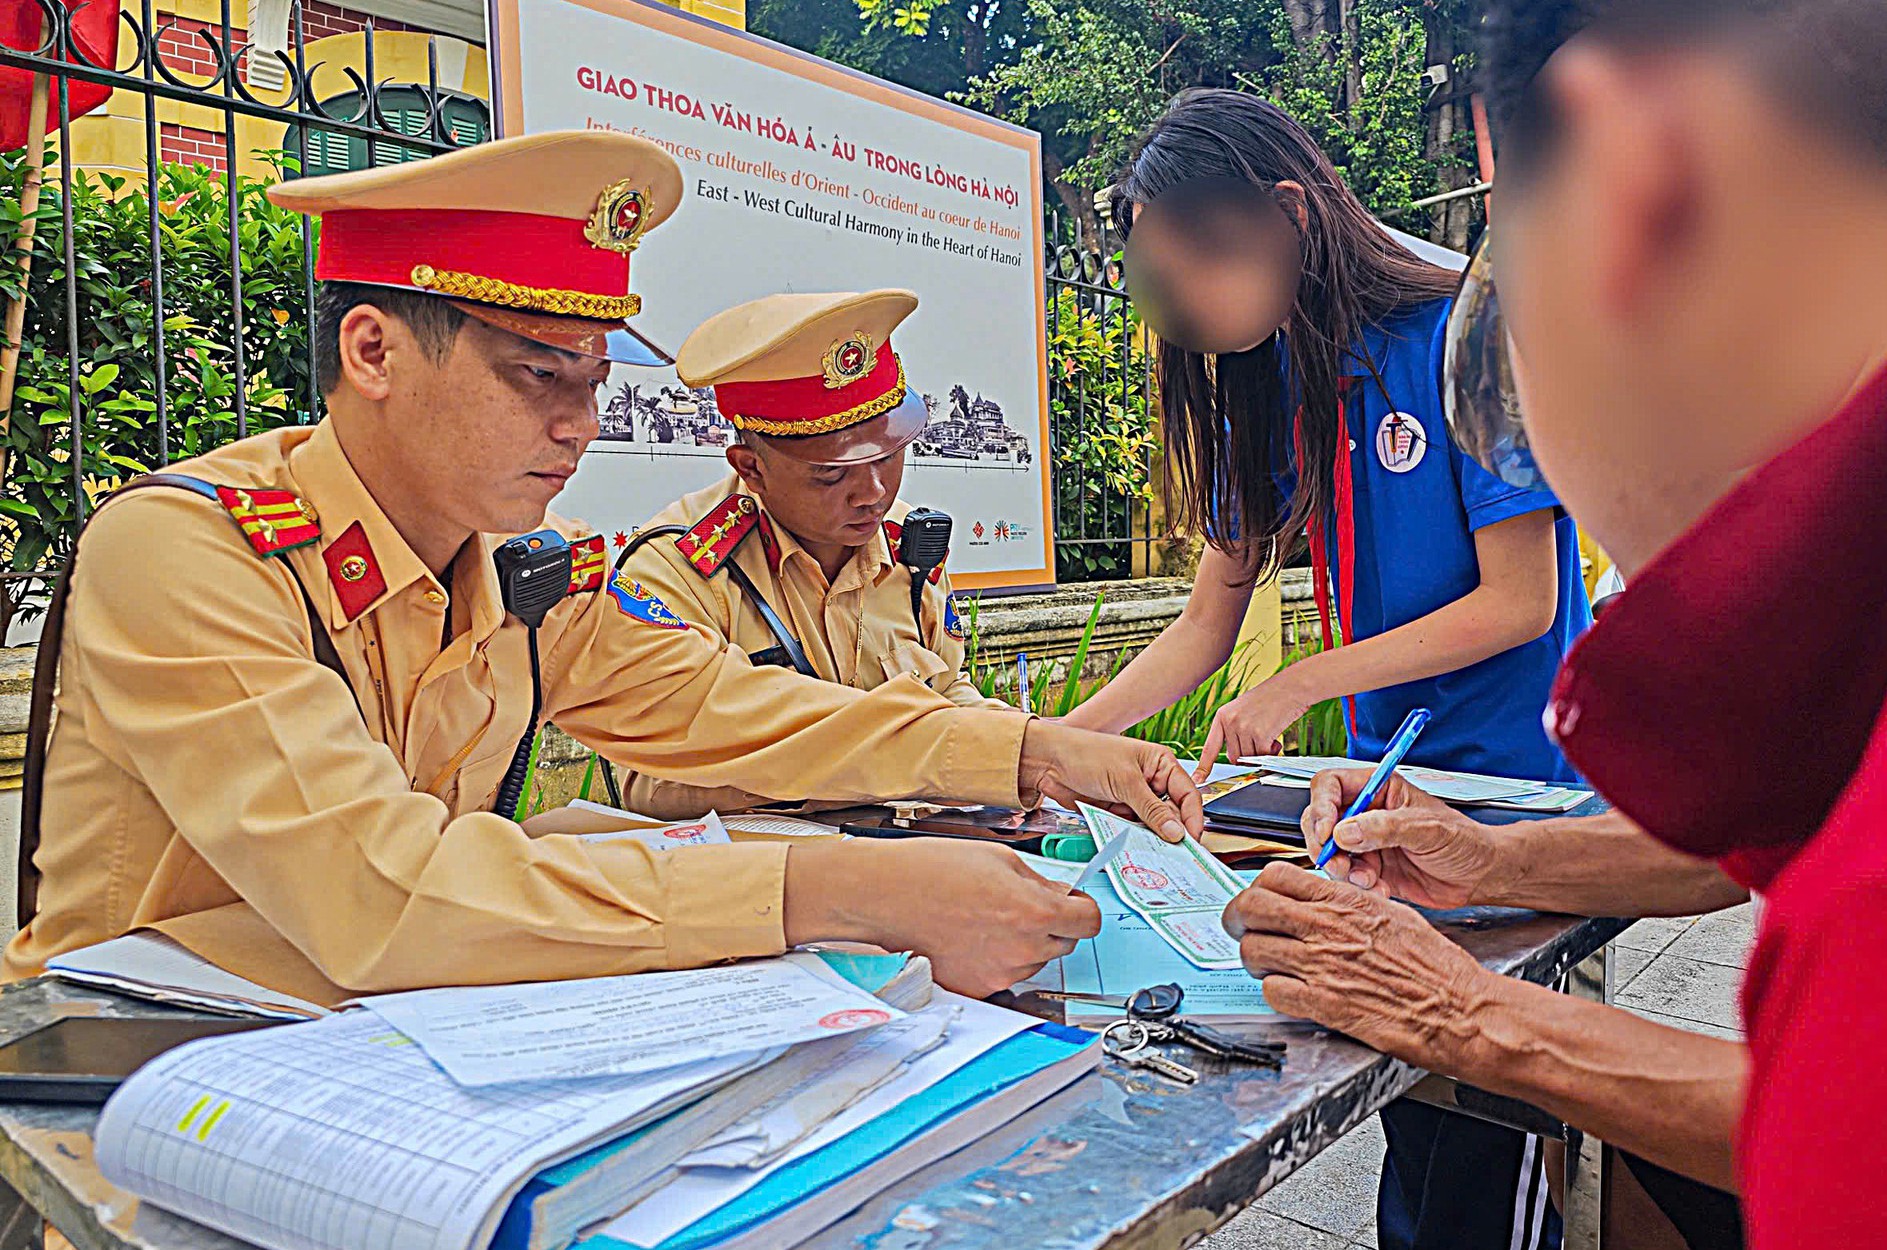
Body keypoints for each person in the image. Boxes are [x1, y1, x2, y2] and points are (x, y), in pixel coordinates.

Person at [4, 130, 1205, 1008]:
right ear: (372, 349)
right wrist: (837, 887)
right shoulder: (193, 550)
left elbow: (721, 707)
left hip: (390, 1042)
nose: (580, 424)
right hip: (145, 1088)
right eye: (540, 373)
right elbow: (378, 890)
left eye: (594, 379)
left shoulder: (516, 579)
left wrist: (1032, 751)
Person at [1222, 1, 1887, 1246]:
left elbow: (1885, 1113)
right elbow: (1781, 841)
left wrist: (1467, 1015)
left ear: (1632, 187)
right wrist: (1499, 858)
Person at [1062, 89, 1592, 1250]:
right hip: (1377, 807)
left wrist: (1301, 679)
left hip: (1521, 798)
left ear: (1286, 216)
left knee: (1489, 1144)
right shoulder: (1269, 381)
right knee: (1414, 1110)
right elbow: (1207, 618)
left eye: (1188, 273)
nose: (1179, 312)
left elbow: (1522, 602)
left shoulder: (1469, 334)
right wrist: (1046, 753)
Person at [613, 289, 1005, 820]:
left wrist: (1024, 755)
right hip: (763, 884)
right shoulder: (676, 573)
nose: (872, 493)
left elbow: (948, 687)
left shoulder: (904, 546)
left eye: (889, 456)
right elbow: (651, 784)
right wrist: (885, 767)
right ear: (751, 467)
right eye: (831, 473)